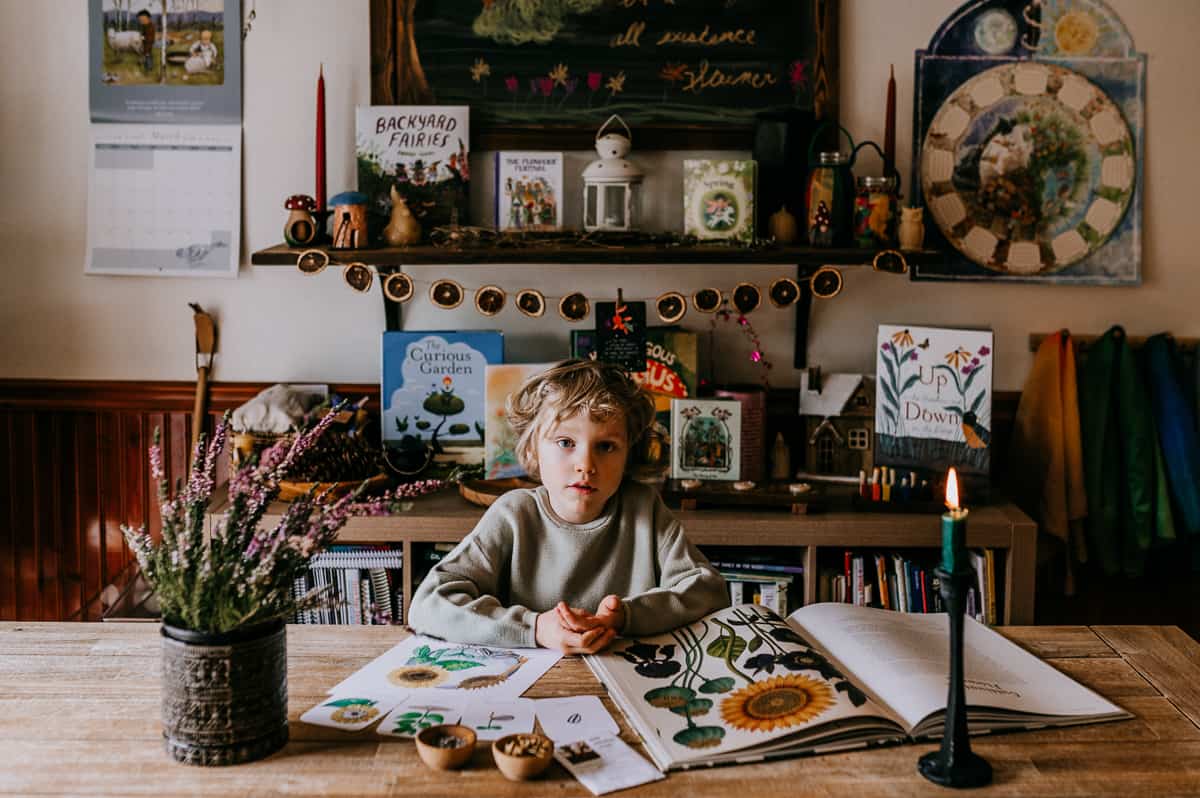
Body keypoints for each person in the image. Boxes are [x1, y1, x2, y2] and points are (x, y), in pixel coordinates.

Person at [408, 359, 728, 653]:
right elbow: (428, 603)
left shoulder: (644, 509)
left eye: (606, 446)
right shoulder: (513, 515)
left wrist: (625, 616)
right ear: (533, 450)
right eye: (565, 443)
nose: (585, 465)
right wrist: (534, 628)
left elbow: (710, 592)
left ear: (629, 453)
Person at [136, 9, 156, 74]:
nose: (140, 21)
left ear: (147, 18)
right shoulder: (145, 26)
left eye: (142, 20)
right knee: (145, 54)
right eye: (140, 20)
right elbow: (144, 35)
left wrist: (146, 51)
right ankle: (146, 65)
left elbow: (149, 39)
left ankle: (149, 68)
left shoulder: (150, 27)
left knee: (148, 55)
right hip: (145, 42)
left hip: (149, 43)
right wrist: (142, 37)